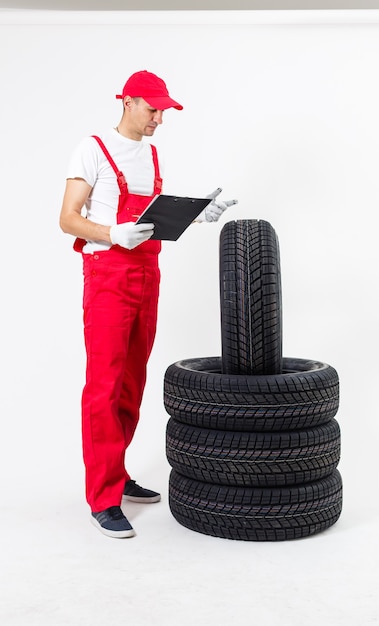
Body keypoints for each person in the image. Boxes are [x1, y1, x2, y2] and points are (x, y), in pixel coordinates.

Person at [59, 70, 237, 539]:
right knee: (104, 385)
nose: (160, 118)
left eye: (164, 111)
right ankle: (102, 496)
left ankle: (116, 473)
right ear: (127, 101)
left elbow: (152, 219)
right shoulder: (92, 148)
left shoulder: (152, 154)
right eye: (153, 109)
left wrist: (199, 215)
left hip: (146, 276)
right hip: (107, 278)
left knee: (132, 383)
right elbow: (68, 219)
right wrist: (111, 234)